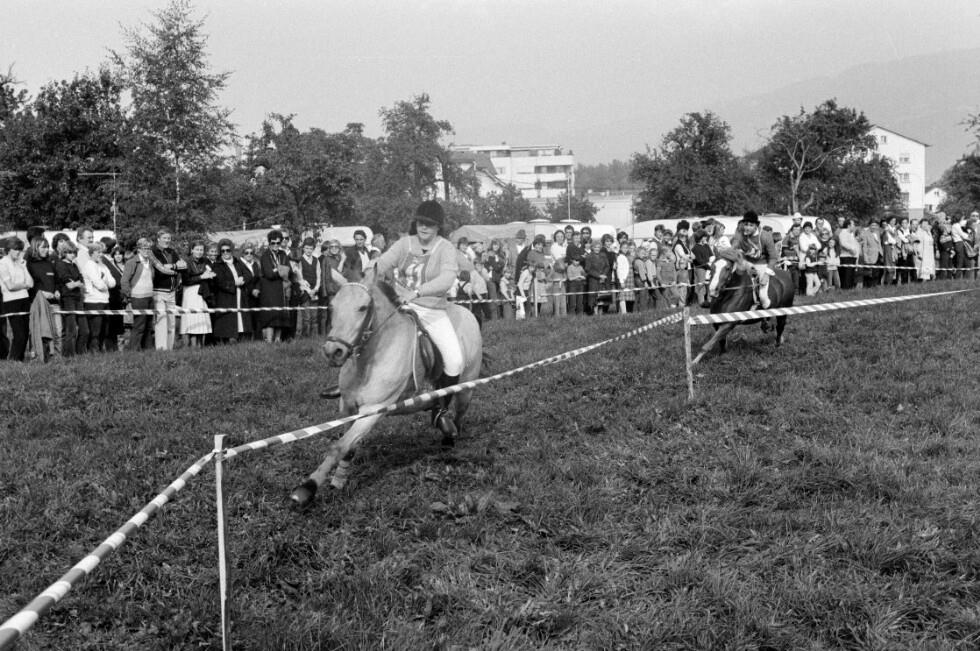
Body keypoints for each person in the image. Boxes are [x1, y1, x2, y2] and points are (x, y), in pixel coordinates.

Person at [369, 200, 463, 432]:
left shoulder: (446, 248)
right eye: (421, 222)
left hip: (431, 309)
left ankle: (441, 408)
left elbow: (446, 279)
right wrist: (371, 270)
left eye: (429, 224)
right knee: (362, 332)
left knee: (455, 361)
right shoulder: (404, 243)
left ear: (438, 226)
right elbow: (383, 263)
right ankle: (349, 384)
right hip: (399, 305)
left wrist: (418, 292)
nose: (424, 227)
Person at [729, 211, 779, 309]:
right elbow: (733, 247)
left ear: (756, 226)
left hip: (762, 264)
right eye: (746, 224)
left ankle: (765, 313)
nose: (747, 228)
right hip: (745, 263)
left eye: (751, 225)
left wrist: (766, 275)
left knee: (763, 297)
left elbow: (773, 257)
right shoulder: (740, 234)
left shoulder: (765, 236)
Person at [150, 228, 186, 351]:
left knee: (171, 322)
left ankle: (170, 349)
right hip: (159, 290)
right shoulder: (153, 252)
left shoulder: (172, 251)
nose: (167, 240)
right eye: (164, 238)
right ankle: (161, 349)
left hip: (172, 291)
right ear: (158, 239)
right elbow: (161, 269)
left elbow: (183, 265)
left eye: (169, 238)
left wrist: (171, 266)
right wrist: (175, 267)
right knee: (161, 321)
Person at [211, 239, 253, 343]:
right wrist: (234, 283)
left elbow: (248, 274)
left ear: (232, 250)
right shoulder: (217, 265)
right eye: (223, 251)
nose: (225, 252)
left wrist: (243, 280)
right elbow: (219, 281)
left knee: (241, 319)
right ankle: (227, 341)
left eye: (228, 250)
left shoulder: (237, 262)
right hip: (226, 297)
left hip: (240, 295)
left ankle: (241, 339)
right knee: (228, 321)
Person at [0, 237, 33, 361]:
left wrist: (24, 268)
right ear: (8, 250)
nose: (18, 252)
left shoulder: (21, 263)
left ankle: (20, 359)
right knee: (19, 334)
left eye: (20, 249)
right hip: (11, 301)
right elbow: (10, 286)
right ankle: (14, 359)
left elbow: (31, 283)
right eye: (16, 249)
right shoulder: (3, 263)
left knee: (25, 332)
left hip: (25, 299)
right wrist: (24, 285)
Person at [121, 238, 156, 351]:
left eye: (149, 248)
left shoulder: (150, 262)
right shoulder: (131, 262)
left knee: (149, 325)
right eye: (144, 248)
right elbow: (124, 281)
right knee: (139, 324)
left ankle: (147, 349)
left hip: (149, 297)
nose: (147, 251)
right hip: (138, 298)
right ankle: (134, 349)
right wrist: (129, 296)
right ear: (139, 249)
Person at [26, 237, 59, 360]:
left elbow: (56, 280)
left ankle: (56, 357)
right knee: (39, 331)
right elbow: (29, 285)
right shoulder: (29, 264)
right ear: (35, 248)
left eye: (47, 247)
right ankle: (36, 356)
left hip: (54, 303)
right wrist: (41, 293)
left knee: (57, 331)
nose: (46, 249)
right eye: (43, 247)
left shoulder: (50, 263)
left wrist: (57, 290)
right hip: (37, 303)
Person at [179, 240, 215, 348]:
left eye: (201, 250)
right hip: (190, 293)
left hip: (202, 293)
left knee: (201, 318)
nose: (199, 252)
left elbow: (211, 272)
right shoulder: (186, 262)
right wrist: (201, 277)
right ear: (192, 250)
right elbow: (186, 281)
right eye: (197, 249)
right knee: (192, 319)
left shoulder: (205, 261)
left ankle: (200, 345)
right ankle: (191, 346)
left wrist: (211, 274)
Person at [258, 230, 292, 343]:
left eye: (278, 243)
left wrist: (277, 270)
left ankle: (278, 340)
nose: (276, 245)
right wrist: (281, 270)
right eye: (273, 243)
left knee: (280, 316)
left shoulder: (283, 254)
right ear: (269, 243)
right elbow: (269, 274)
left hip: (281, 289)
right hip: (269, 290)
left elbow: (288, 270)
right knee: (271, 316)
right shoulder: (265, 256)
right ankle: (269, 340)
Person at [81, 241, 116, 353]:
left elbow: (113, 282)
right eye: (98, 252)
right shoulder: (89, 265)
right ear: (91, 253)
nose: (101, 254)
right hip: (93, 302)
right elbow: (99, 285)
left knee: (104, 330)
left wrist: (104, 282)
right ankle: (93, 352)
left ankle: (100, 351)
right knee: (95, 331)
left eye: (102, 252)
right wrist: (105, 283)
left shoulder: (103, 266)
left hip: (105, 300)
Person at [55, 243, 86, 357]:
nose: (73, 254)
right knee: (71, 329)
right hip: (68, 298)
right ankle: (68, 355)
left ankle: (81, 353)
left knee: (84, 329)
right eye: (69, 252)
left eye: (74, 252)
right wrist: (77, 283)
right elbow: (69, 285)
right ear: (64, 253)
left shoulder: (74, 265)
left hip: (78, 297)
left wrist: (76, 283)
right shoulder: (60, 264)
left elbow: (82, 282)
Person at [296, 237, 321, 338]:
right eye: (306, 248)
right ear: (303, 248)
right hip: (305, 292)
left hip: (314, 291)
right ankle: (305, 337)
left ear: (313, 249)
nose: (308, 250)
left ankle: (313, 337)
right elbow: (300, 278)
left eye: (311, 248)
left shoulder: (316, 260)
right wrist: (308, 290)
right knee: (307, 317)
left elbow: (318, 276)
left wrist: (316, 289)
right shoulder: (300, 260)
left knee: (314, 316)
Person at [837, 219, 861, 290]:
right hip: (846, 257)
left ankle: (850, 291)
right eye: (853, 224)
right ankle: (845, 291)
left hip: (852, 257)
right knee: (846, 277)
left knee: (851, 276)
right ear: (848, 225)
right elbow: (843, 243)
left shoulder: (850, 234)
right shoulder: (843, 233)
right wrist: (852, 249)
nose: (854, 226)